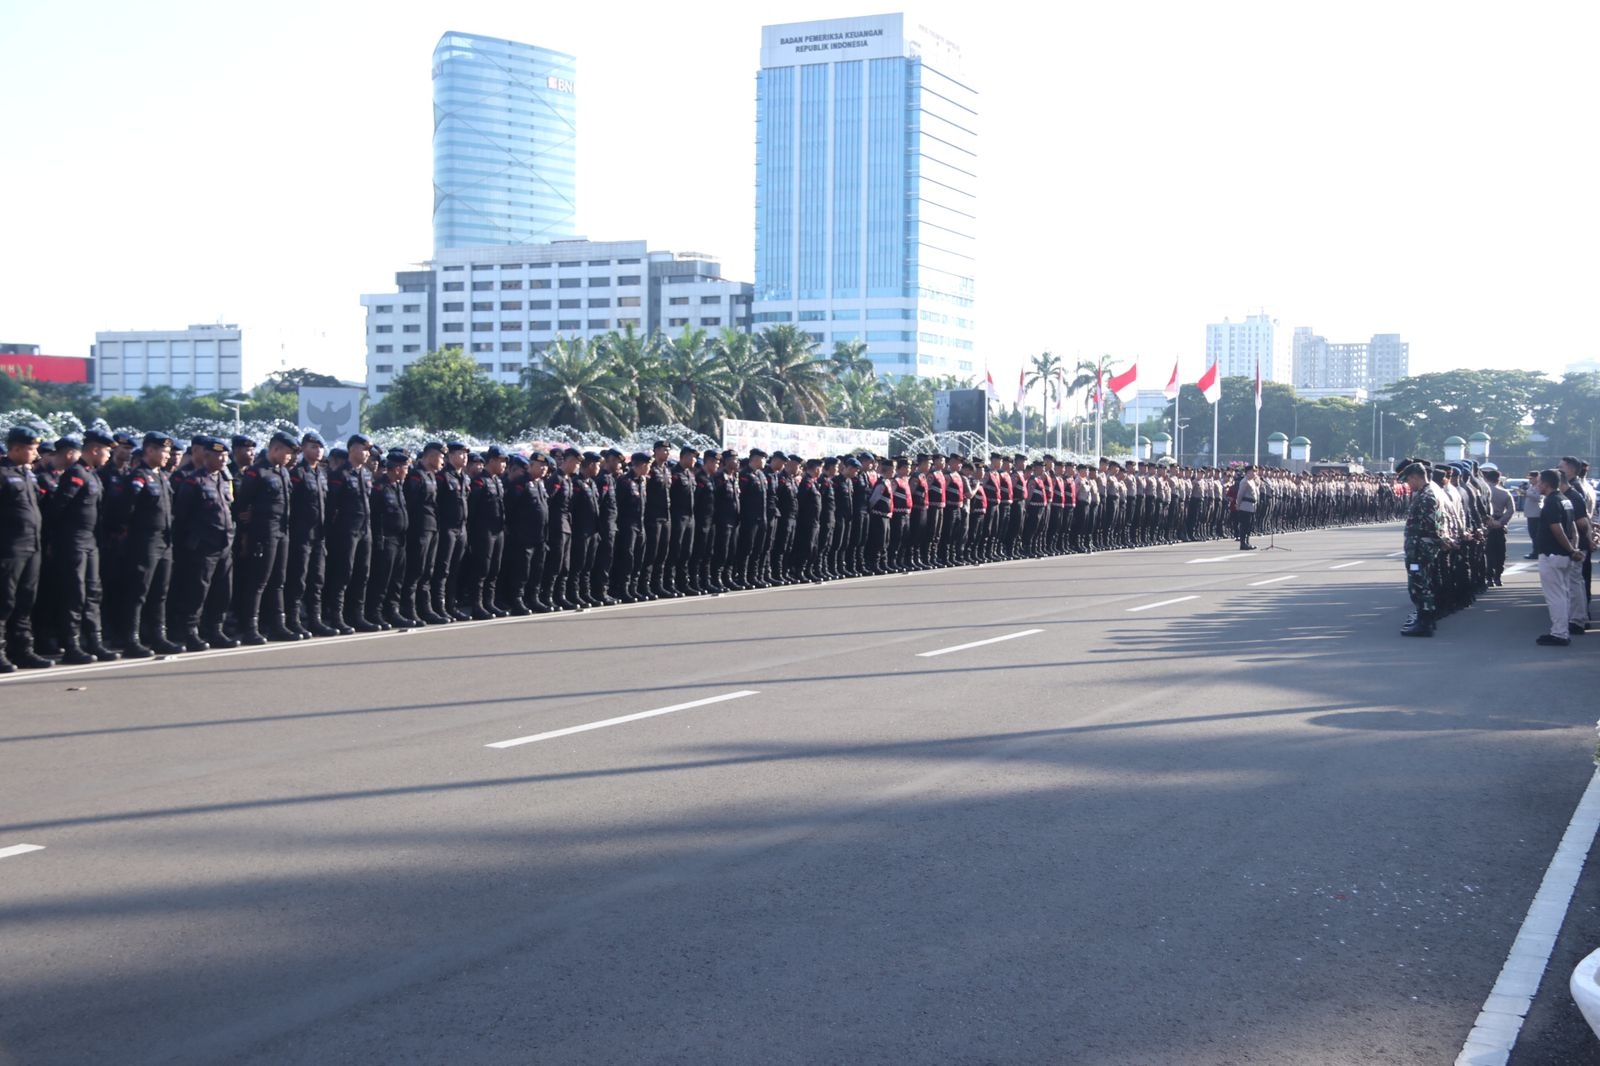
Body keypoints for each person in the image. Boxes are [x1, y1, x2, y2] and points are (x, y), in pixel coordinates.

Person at [45, 430, 119, 663]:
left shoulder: (92, 475)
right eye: (107, 450)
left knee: (92, 593)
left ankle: (94, 642)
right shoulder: (75, 474)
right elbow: (57, 509)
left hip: (90, 542)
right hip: (73, 541)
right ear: (95, 450)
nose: (109, 455)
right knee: (74, 594)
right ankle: (72, 645)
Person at [106, 431, 181, 656]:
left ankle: (158, 636)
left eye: (168, 451)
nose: (167, 455)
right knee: (138, 591)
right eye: (163, 451)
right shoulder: (138, 477)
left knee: (160, 591)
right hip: (144, 541)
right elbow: (123, 511)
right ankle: (132, 638)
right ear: (149, 451)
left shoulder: (162, 476)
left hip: (164, 541)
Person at [171, 436, 237, 651]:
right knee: (197, 591)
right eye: (219, 455)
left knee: (223, 590)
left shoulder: (223, 479)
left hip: (224, 544)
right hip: (203, 546)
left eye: (226, 455)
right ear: (206, 456)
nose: (224, 459)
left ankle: (215, 629)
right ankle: (191, 632)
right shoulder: (194, 481)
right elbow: (181, 516)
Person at [234, 431, 300, 644]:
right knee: (258, 581)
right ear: (276, 449)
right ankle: (250, 627)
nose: (289, 458)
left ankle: (277, 624)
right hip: (263, 533)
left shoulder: (283, 472)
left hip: (282, 532)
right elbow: (242, 506)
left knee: (278, 581)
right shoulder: (257, 472)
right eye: (287, 453)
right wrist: (245, 534)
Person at [1, 426, 51, 671]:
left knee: (25, 600)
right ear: (17, 448)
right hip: (10, 547)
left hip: (32, 545)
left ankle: (22, 650)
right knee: (4, 600)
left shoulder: (28, 475)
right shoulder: (2, 473)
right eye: (31, 449)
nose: (36, 454)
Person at [324, 433, 375, 633]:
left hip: (365, 529)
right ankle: (337, 616)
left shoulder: (367, 474)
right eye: (364, 449)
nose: (367, 453)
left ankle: (357, 615)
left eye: (368, 449)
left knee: (362, 573)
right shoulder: (340, 475)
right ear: (352, 449)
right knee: (343, 573)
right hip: (346, 531)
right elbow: (331, 507)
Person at [286, 431, 334, 637]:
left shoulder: (322, 473)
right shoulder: (297, 473)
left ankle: (315, 620)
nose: (318, 451)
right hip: (301, 534)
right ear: (304, 448)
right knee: (298, 579)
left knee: (317, 579)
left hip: (319, 535)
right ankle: (293, 620)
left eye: (320, 447)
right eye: (313, 447)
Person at [1533, 468, 1582, 646]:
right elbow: (1574, 528)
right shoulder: (1565, 499)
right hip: (1564, 554)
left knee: (1555, 596)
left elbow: (1557, 529)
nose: (1537, 485)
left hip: (1553, 554)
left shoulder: (1551, 502)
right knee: (1564, 594)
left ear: (1546, 484)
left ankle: (1559, 633)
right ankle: (1562, 630)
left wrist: (1570, 550)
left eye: (1538, 482)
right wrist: (1574, 548)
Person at [1399, 461, 1447, 637]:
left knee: (1418, 584)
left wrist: (1439, 541)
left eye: (1408, 480)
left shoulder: (1427, 496)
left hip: (1419, 552)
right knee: (1422, 582)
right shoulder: (1430, 492)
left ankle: (1425, 622)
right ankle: (1425, 619)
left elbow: (1430, 525)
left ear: (1414, 477)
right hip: (1420, 549)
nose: (1408, 485)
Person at [403, 441, 446, 624]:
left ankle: (425, 608)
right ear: (430, 456)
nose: (442, 460)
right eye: (441, 456)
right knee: (416, 570)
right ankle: (409, 609)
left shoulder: (431, 475)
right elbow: (411, 504)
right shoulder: (415, 476)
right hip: (420, 527)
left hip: (432, 526)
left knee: (428, 570)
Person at [433, 441, 471, 621]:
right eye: (460, 454)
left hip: (461, 528)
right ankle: (438, 606)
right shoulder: (442, 477)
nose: (464, 457)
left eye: (466, 454)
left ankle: (450, 604)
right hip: (446, 527)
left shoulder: (464, 477)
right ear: (450, 456)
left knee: (456, 568)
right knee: (443, 569)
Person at [1481, 464, 1514, 587]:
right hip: (1500, 523)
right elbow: (1511, 510)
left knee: (1488, 552)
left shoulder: (1483, 492)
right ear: (1499, 479)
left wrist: (1488, 521)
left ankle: (1488, 577)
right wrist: (1501, 522)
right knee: (1500, 552)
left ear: (1487, 479)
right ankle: (1498, 577)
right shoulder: (1505, 493)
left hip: (1486, 524)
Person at [1234, 467, 1259, 550]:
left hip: (1251, 506)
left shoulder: (1252, 481)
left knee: (1249, 526)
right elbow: (1240, 494)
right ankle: (1243, 543)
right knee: (1244, 525)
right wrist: (1238, 504)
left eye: (1255, 471)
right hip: (1245, 506)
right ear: (1248, 472)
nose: (1255, 473)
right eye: (1253, 471)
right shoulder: (1245, 481)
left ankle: (1247, 542)